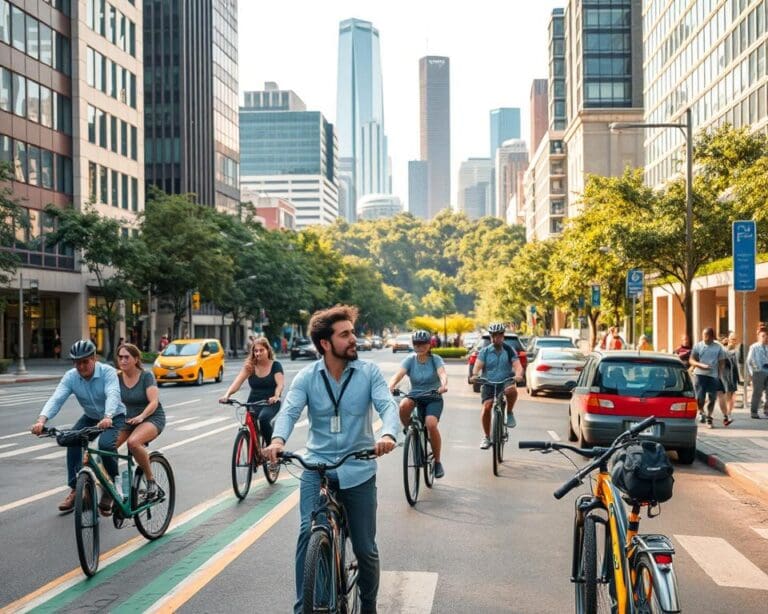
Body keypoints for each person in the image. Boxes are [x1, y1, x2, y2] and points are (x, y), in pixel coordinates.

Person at [263, 305, 399, 614]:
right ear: (325, 343)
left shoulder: (369, 373)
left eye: (352, 332)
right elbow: (289, 411)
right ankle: (304, 609)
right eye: (346, 334)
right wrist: (277, 441)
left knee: (365, 549)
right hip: (317, 467)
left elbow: (387, 406)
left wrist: (389, 435)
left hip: (359, 468)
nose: (354, 339)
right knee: (305, 533)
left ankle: (368, 606)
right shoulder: (307, 377)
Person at [30, 340, 126, 513]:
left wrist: (108, 416)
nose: (81, 367)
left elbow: (113, 394)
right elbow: (57, 398)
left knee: (105, 445)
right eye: (77, 362)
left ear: (94, 358)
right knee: (71, 439)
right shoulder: (71, 377)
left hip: (114, 417)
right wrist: (41, 421)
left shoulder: (108, 372)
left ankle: (113, 484)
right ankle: (76, 489)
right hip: (91, 417)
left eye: (85, 362)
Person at [388, 329, 449, 479]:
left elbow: (442, 373)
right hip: (415, 395)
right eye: (416, 344)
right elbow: (398, 374)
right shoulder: (410, 359)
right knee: (403, 405)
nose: (419, 346)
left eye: (423, 344)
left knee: (431, 424)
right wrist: (391, 385)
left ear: (429, 345)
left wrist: (443, 385)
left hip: (433, 396)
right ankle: (409, 428)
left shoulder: (435, 359)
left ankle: (437, 462)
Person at [114, 343, 165, 501]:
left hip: (151, 417)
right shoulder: (116, 378)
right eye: (120, 357)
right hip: (128, 420)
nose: (122, 360)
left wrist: (142, 416)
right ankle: (112, 487)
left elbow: (153, 402)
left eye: (126, 357)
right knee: (106, 448)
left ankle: (151, 481)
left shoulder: (146, 376)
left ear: (136, 359)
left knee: (134, 443)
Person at [219, 337, 285, 444]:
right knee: (250, 425)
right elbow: (237, 382)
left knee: (263, 419)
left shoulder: (276, 365)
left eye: (261, 350)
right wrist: (227, 395)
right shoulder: (250, 366)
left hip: (271, 402)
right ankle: (254, 455)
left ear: (267, 350)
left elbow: (280, 384)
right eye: (256, 351)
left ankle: (271, 450)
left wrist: (276, 396)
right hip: (253, 402)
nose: (258, 353)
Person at [470, 322, 524, 449]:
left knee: (512, 391)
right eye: (493, 336)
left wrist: (519, 374)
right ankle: (487, 437)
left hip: (505, 381)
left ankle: (509, 412)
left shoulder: (509, 350)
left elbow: (517, 366)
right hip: (488, 382)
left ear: (503, 336)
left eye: (498, 335)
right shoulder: (485, 351)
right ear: (490, 337)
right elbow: (477, 365)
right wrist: (475, 374)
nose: (495, 338)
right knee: (487, 406)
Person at [690, 327, 727, 428]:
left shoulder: (718, 347)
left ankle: (709, 418)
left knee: (712, 398)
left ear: (711, 336)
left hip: (713, 376)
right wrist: (700, 365)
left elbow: (722, 362)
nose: (704, 338)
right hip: (700, 375)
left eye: (706, 336)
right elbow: (691, 360)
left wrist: (719, 374)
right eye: (703, 335)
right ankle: (701, 411)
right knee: (700, 398)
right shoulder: (698, 346)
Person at [746, 327, 768, 419]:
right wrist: (752, 373)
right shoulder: (754, 347)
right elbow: (749, 361)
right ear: (759, 336)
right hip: (758, 372)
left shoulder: (767, 347)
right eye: (763, 336)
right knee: (757, 393)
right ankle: (754, 412)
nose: (765, 337)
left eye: (766, 336)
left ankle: (766, 409)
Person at [719, 335, 740, 426]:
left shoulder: (736, 351)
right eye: (731, 339)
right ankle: (727, 415)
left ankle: (728, 413)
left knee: (732, 394)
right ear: (728, 340)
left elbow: (737, 365)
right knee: (727, 393)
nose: (733, 341)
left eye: (735, 340)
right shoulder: (724, 350)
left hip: (733, 375)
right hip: (725, 375)